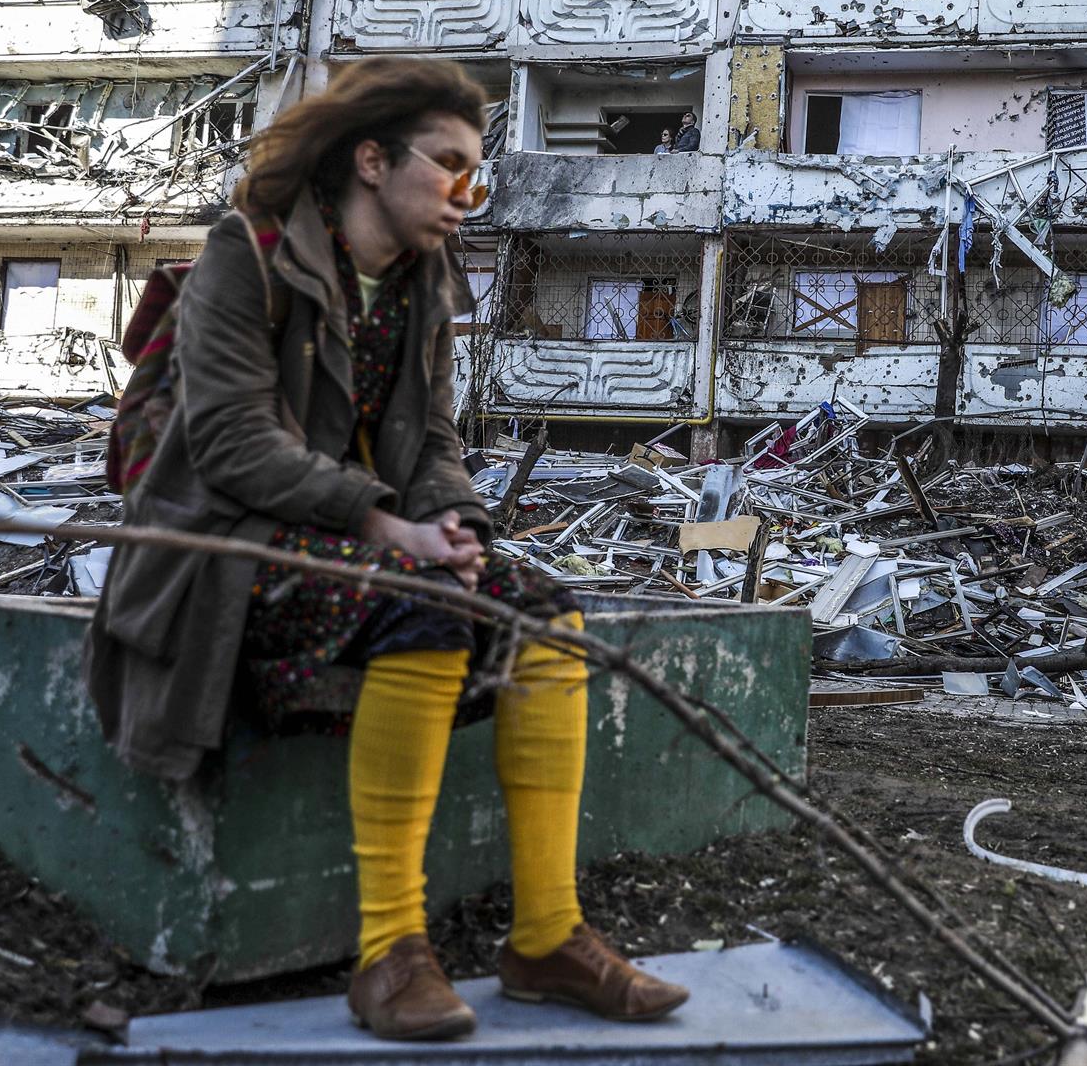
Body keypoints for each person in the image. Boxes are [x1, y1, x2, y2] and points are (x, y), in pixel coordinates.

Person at [84, 59, 688, 1042]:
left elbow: (435, 438)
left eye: (475, 175)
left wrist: (454, 523)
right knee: (425, 604)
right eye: (449, 166)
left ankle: (546, 935)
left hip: (368, 540)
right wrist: (383, 524)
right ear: (372, 159)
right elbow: (233, 441)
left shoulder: (422, 281)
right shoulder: (250, 253)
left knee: (549, 613)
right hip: (225, 544)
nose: (467, 193)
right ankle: (391, 951)